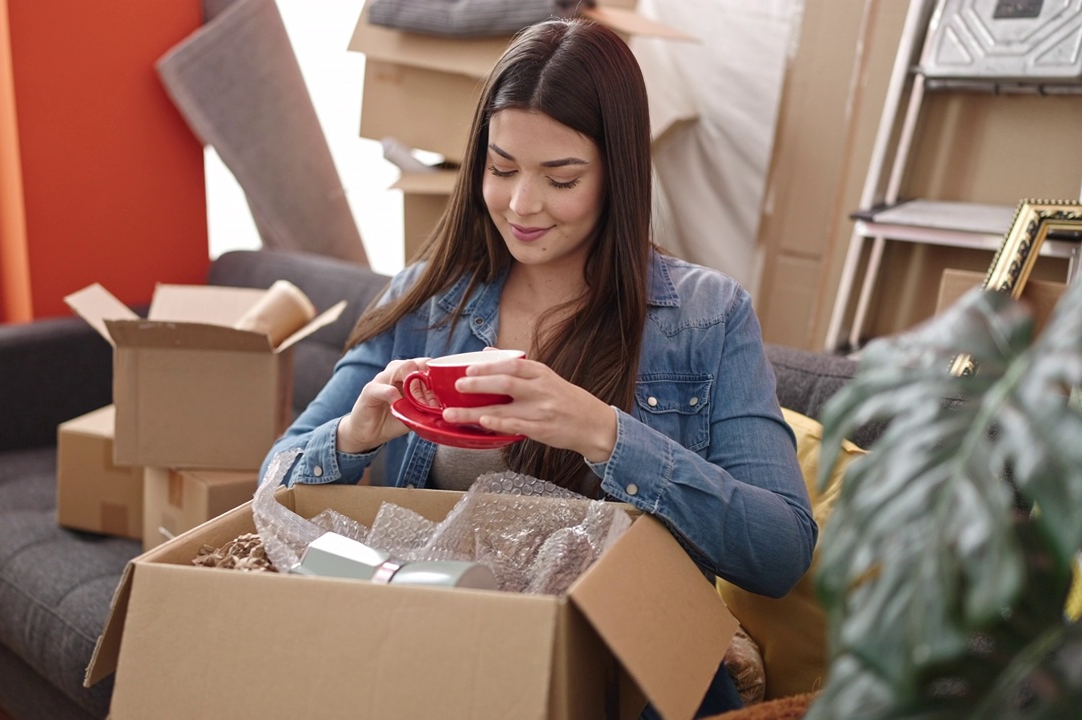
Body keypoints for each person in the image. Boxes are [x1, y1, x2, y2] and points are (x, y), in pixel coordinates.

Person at [261, 17, 815, 718]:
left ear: (617, 173)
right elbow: (273, 483)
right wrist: (352, 437)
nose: (521, 205)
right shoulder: (424, 302)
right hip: (444, 673)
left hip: (627, 686)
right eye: (502, 169)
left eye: (560, 178)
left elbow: (780, 550)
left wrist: (604, 433)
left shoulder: (705, 318)